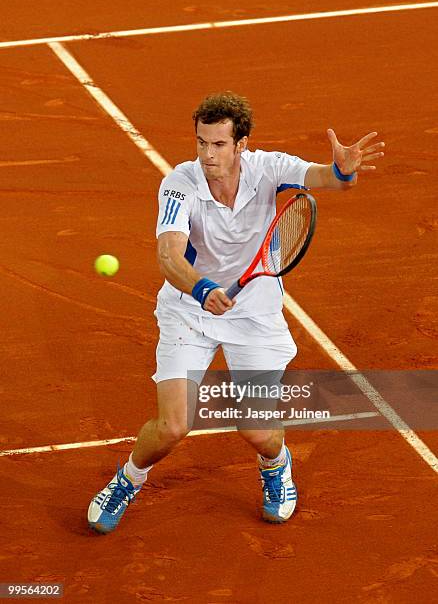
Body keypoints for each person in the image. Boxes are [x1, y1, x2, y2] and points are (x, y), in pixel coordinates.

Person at [88, 92, 384, 533]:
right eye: (202, 143)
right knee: (172, 425)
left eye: (219, 144)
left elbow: (333, 181)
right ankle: (129, 478)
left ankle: (275, 466)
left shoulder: (271, 169)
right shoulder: (179, 183)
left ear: (241, 144)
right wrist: (202, 288)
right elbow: (169, 256)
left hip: (254, 314)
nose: (208, 154)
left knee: (259, 431)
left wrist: (343, 168)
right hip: (190, 311)